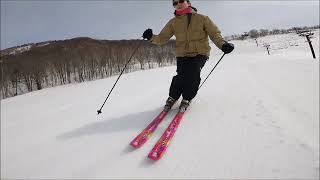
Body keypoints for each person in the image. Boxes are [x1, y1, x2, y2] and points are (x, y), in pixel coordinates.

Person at [142, 0, 234, 112]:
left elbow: (215, 34)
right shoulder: (173, 22)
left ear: (188, 2)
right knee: (180, 76)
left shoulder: (203, 18)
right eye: (175, 3)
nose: (178, 4)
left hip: (200, 53)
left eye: (181, 1)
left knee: (193, 73)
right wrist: (151, 37)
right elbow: (162, 38)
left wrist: (223, 44)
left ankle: (187, 98)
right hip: (182, 55)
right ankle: (173, 97)